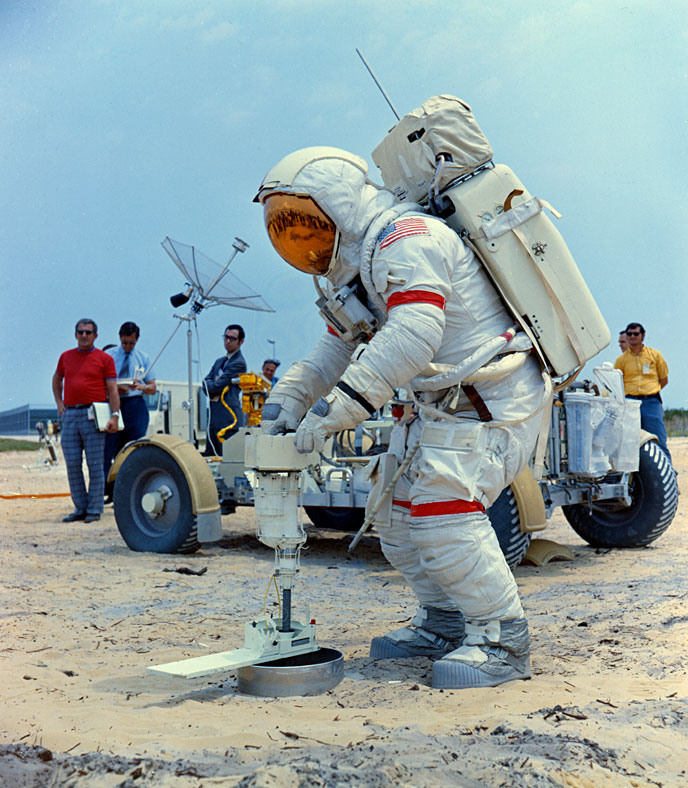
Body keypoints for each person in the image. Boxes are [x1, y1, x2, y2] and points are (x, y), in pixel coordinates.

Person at [254, 147, 547, 689]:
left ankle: (502, 639)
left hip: (490, 399)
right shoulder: (359, 266)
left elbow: (415, 334)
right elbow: (334, 351)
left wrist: (337, 410)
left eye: (309, 222)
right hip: (439, 404)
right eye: (289, 229)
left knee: (443, 514)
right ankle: (443, 622)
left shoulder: (410, 239)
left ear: (339, 204)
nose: (304, 238)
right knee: (392, 517)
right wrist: (286, 405)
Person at [52, 319, 120, 523]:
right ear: (75, 334)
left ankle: (94, 509)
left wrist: (114, 416)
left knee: (95, 465)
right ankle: (80, 508)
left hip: (93, 415)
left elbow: (112, 389)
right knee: (73, 464)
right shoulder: (65, 357)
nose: (84, 335)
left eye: (88, 332)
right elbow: (57, 379)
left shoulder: (105, 359)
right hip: (70, 415)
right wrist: (59, 402)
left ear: (95, 336)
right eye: (80, 332)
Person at [103, 321, 157, 499]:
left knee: (132, 449)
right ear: (120, 338)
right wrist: (113, 389)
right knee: (108, 448)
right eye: (125, 342)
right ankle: (106, 489)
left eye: (131, 343)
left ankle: (129, 491)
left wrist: (141, 387)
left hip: (134, 405)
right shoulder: (109, 356)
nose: (127, 346)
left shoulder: (143, 358)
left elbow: (153, 387)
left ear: (137, 340)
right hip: (113, 403)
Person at [615, 322, 671, 461]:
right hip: (630, 403)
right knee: (630, 441)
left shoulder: (655, 355)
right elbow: (617, 382)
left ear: (643, 335)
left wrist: (650, 391)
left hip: (651, 403)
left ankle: (668, 470)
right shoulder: (621, 360)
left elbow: (664, 379)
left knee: (659, 439)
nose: (632, 337)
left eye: (636, 334)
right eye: (629, 334)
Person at [202, 324, 247, 456]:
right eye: (226, 337)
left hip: (228, 419)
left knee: (226, 458)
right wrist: (211, 386)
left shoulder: (239, 363)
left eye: (232, 339)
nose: (227, 341)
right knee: (210, 455)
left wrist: (211, 385)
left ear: (241, 341)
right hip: (214, 417)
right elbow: (205, 383)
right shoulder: (219, 361)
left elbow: (218, 386)